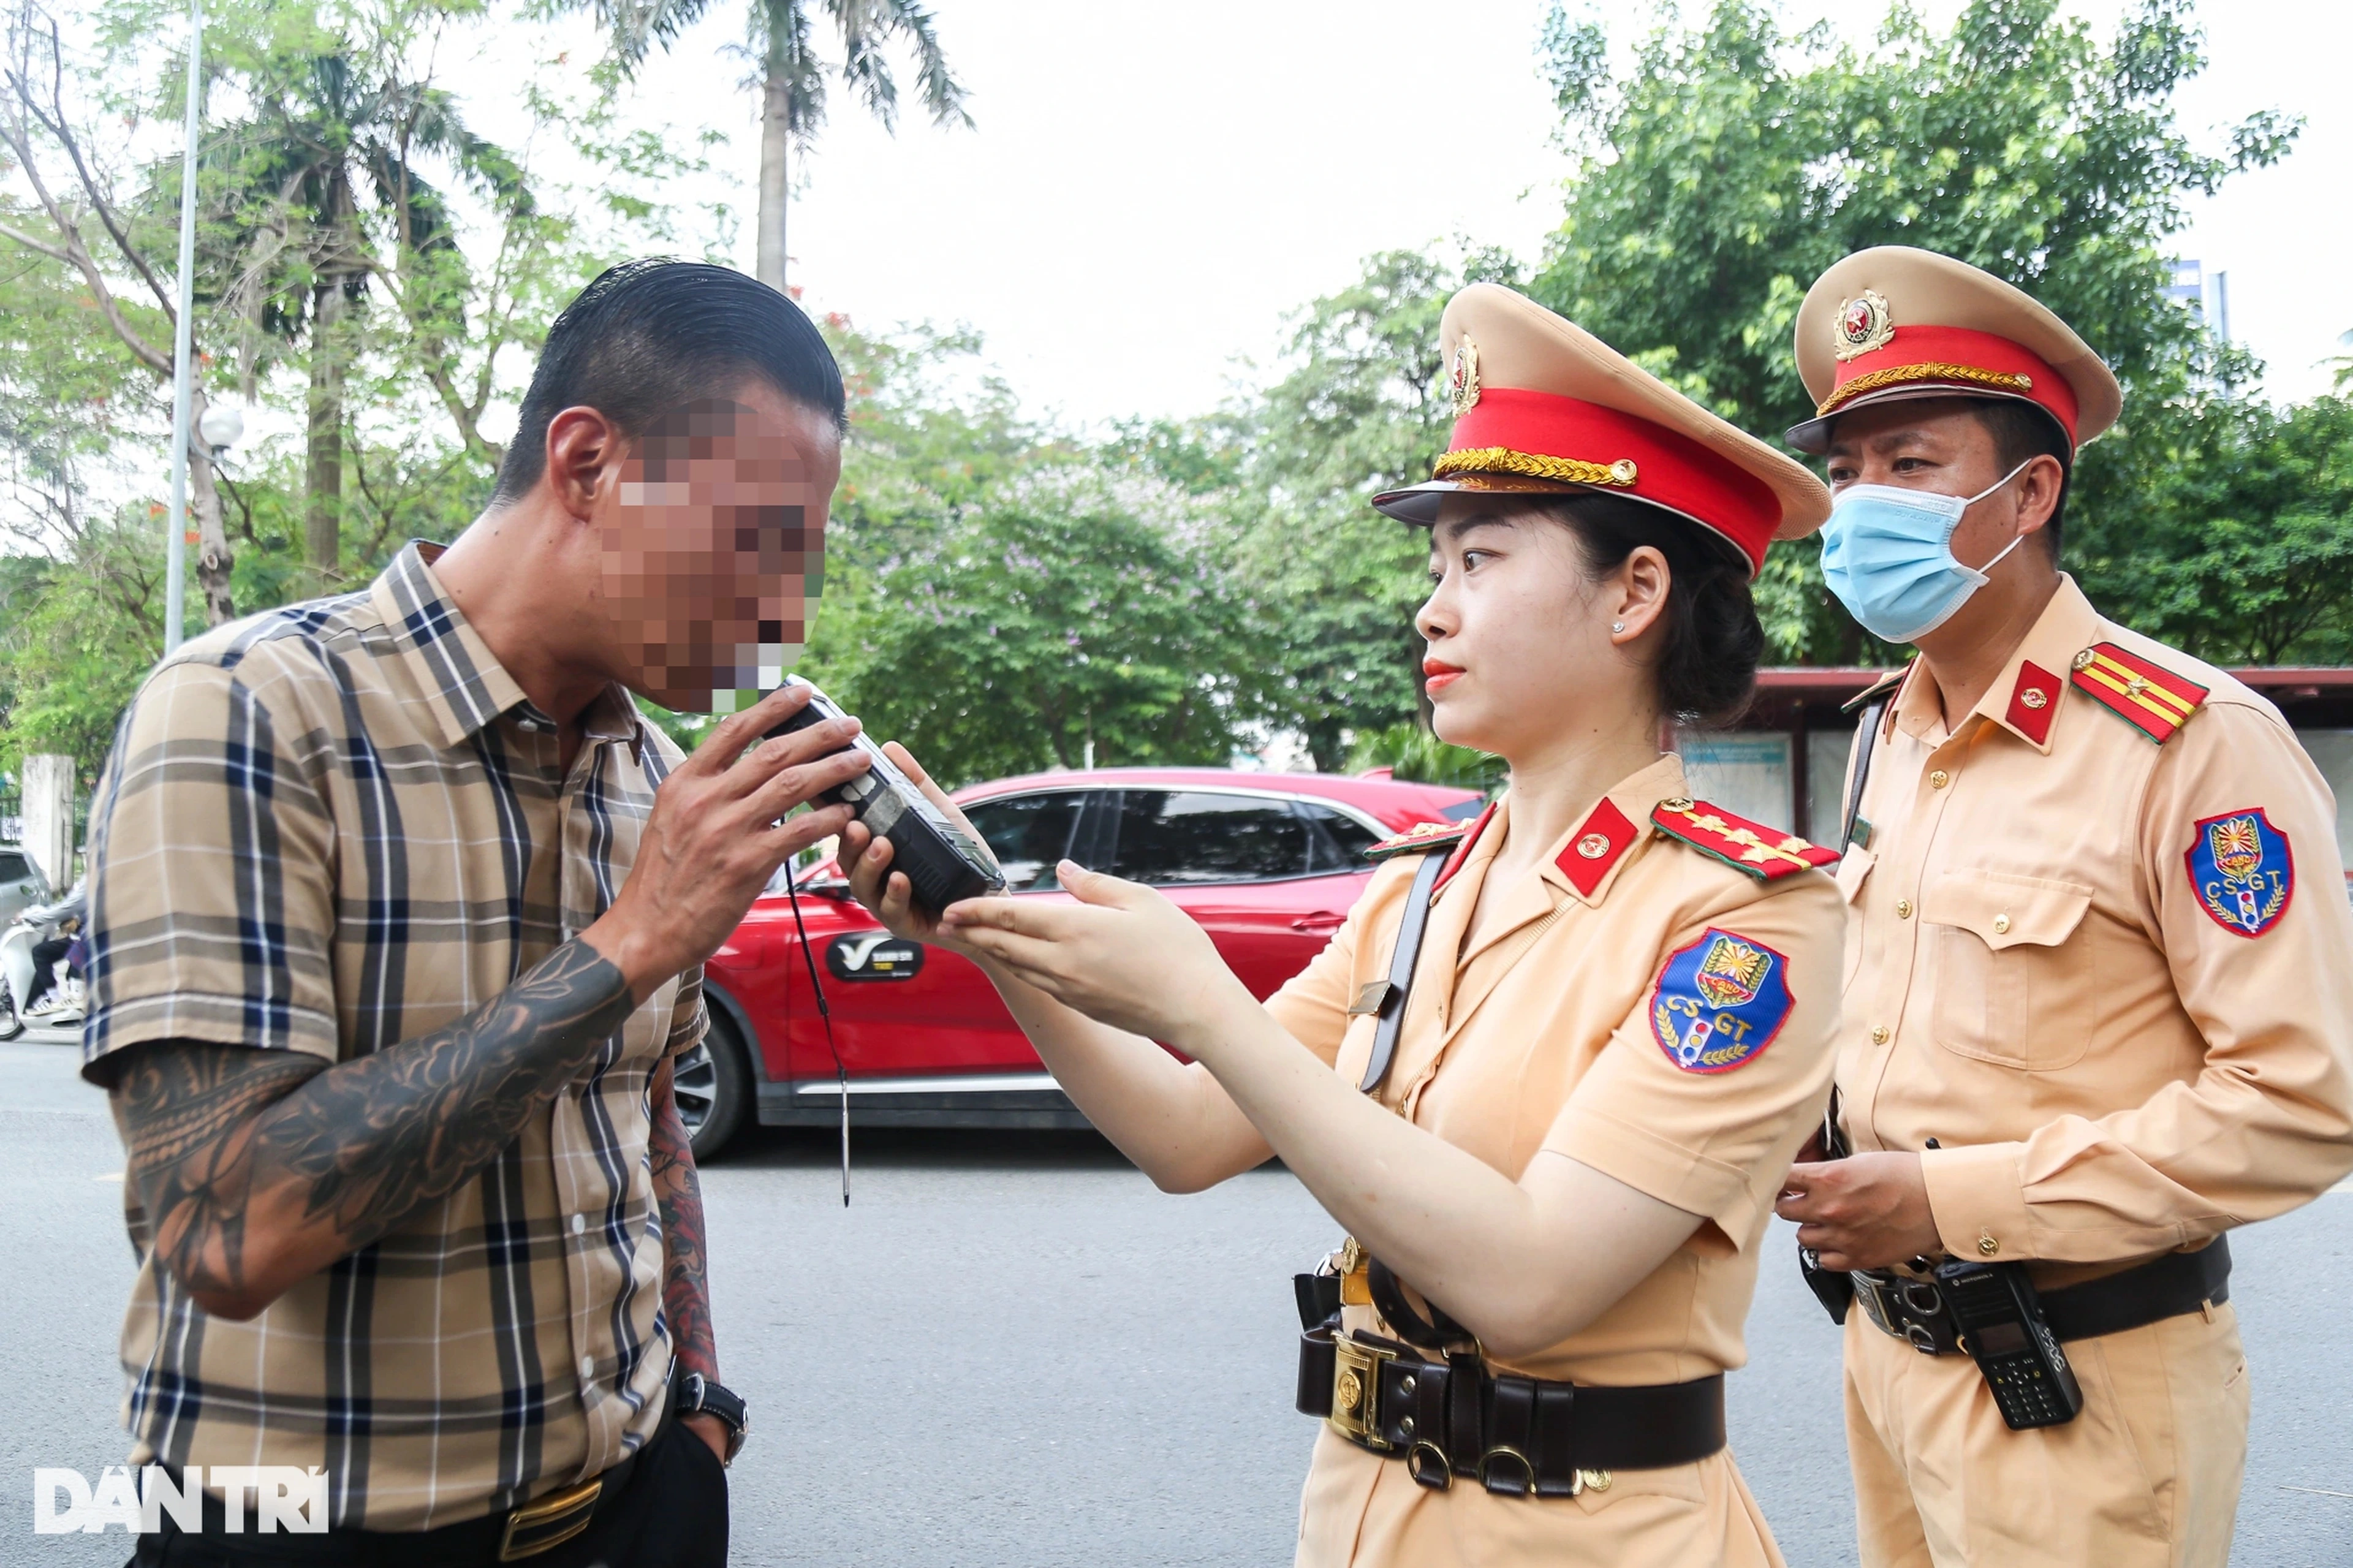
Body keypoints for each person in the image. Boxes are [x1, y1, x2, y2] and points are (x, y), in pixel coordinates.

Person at [846, 284, 1844, 1566]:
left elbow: (1534, 1280)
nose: (1432, 609)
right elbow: (1191, 1133)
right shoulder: (1418, 887)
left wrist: (1206, 1005)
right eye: (1437, 569)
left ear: (1635, 591)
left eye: (1479, 561)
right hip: (1366, 1517)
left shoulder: (1747, 916)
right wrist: (984, 929)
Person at [81, 259, 872, 1566]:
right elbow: (221, 1233)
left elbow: (652, 1124)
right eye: (757, 543)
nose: (782, 613)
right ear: (586, 462)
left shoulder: (651, 776)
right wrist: (630, 945)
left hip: (629, 1511)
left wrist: (698, 1416)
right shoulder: (249, 709)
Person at [1771, 246, 2353, 1568]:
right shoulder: (1888, 738)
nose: (1862, 506)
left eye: (1911, 465)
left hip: (2082, 1389)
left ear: (2029, 490)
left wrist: (1950, 1198)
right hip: (1887, 1359)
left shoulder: (2193, 744)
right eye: (1849, 471)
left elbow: (2303, 1104)